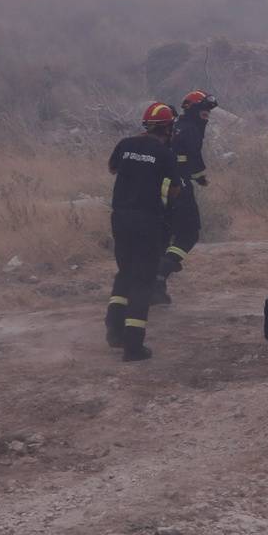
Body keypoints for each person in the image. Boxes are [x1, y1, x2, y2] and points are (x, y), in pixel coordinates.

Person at [106, 102, 181, 362]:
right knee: (143, 280)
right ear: (168, 127)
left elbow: (113, 169)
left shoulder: (125, 145)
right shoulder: (165, 154)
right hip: (147, 222)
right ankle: (133, 347)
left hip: (121, 219)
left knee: (125, 273)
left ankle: (114, 332)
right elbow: (174, 190)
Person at [156, 89, 217, 301]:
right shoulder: (190, 129)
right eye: (203, 109)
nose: (206, 114)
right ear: (192, 109)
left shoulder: (177, 127)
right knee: (189, 233)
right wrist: (199, 177)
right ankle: (161, 272)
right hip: (178, 185)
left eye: (209, 111)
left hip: (160, 186)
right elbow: (193, 156)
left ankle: (156, 288)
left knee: (166, 234)